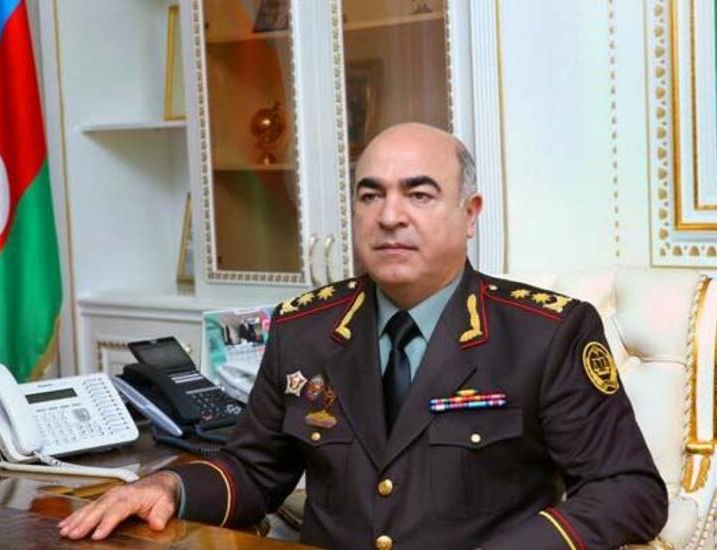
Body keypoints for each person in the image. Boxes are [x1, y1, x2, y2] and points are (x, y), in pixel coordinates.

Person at [59, 123, 668, 548]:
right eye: (370, 195)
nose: (389, 216)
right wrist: (169, 486)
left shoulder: (544, 334)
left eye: (419, 194)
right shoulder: (305, 328)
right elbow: (254, 470)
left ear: (470, 213)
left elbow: (628, 489)